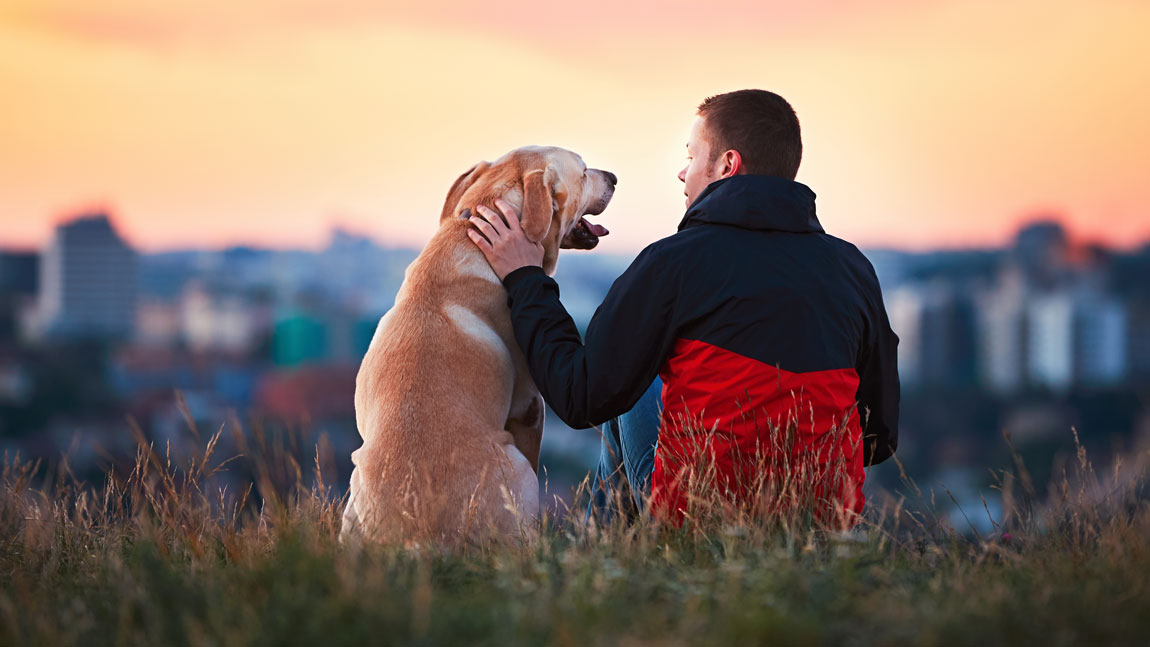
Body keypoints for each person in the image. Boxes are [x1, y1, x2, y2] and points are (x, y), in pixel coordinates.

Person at [466, 89, 899, 528]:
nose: (681, 172)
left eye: (692, 156)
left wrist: (525, 278)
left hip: (701, 518)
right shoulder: (853, 270)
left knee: (627, 392)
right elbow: (879, 437)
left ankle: (607, 566)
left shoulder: (673, 263)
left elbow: (579, 397)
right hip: (823, 524)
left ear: (727, 165)